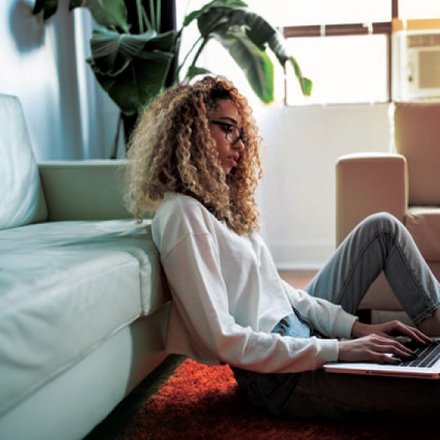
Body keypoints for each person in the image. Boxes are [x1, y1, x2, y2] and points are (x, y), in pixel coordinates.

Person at [125, 75, 440, 421]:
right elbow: (222, 339)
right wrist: (338, 350)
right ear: (193, 130)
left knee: (382, 228)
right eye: (228, 129)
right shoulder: (182, 215)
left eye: (242, 134)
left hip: (303, 335)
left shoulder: (221, 207)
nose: (241, 144)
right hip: (278, 376)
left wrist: (355, 329)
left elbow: (282, 292)